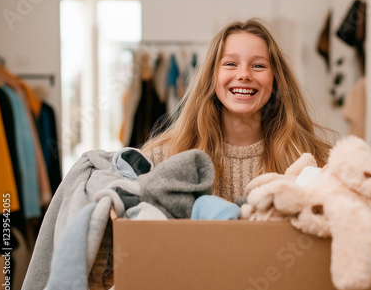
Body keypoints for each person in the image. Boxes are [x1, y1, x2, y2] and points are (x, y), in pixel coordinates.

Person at [142, 18, 334, 202]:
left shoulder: (316, 161)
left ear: (275, 78)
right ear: (212, 76)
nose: (244, 75)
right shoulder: (161, 159)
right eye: (230, 64)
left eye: (258, 65)